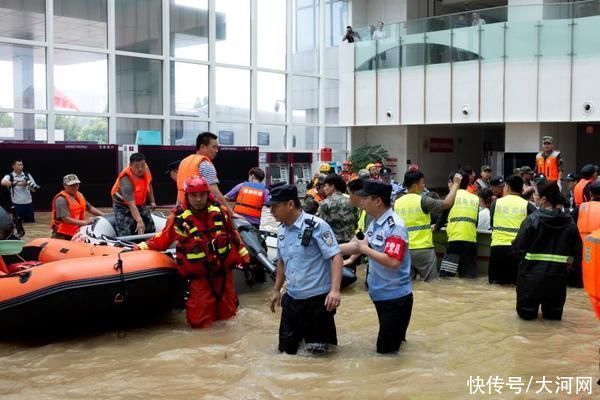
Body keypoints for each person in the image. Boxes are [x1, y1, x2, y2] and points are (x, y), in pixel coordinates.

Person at [136, 176, 250, 328]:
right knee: (200, 323)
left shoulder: (221, 212)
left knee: (228, 320)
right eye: (194, 195)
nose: (198, 199)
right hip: (199, 280)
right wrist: (139, 248)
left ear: (207, 194)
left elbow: (233, 235)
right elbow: (161, 240)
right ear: (187, 196)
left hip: (223, 277)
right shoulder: (177, 219)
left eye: (202, 194)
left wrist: (244, 256)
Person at [268, 184, 343, 354]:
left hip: (317, 301)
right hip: (292, 299)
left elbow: (336, 256)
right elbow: (282, 262)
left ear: (290, 204)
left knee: (320, 355)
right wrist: (276, 290)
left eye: (275, 206)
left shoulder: (317, 226)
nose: (271, 211)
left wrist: (335, 290)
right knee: (286, 352)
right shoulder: (281, 230)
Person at [341, 180, 413, 354]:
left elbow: (393, 262)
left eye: (365, 198)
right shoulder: (376, 222)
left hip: (394, 298)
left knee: (386, 353)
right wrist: (329, 249)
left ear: (378, 201)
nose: (361, 201)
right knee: (392, 348)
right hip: (382, 295)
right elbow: (358, 244)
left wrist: (364, 249)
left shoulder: (394, 226)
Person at [513, 181, 581, 321]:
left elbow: (517, 249)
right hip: (557, 281)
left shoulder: (532, 220)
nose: (534, 197)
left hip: (530, 281)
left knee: (526, 322)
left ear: (544, 199)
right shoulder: (570, 223)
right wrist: (565, 267)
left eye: (536, 194)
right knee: (553, 321)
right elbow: (576, 252)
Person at [394, 171, 462, 282]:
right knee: (431, 284)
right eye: (422, 183)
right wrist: (455, 184)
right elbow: (446, 204)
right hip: (423, 250)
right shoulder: (423, 200)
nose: (424, 185)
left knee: (407, 284)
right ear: (415, 186)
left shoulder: (396, 203)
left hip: (404, 250)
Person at [488, 175, 536, 285]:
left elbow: (492, 224)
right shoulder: (528, 205)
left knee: (496, 286)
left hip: (498, 249)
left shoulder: (496, 203)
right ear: (522, 189)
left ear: (508, 187)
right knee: (515, 285)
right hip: (518, 251)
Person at [177, 132, 232, 214]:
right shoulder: (205, 165)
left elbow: (180, 191)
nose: (216, 151)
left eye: (217, 148)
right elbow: (215, 193)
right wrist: (231, 213)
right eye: (214, 147)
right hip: (199, 213)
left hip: (183, 211)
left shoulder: (184, 162)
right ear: (202, 147)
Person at [439, 171, 481, 278]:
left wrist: (436, 226)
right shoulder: (475, 198)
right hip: (471, 240)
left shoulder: (450, 197)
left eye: (449, 182)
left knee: (446, 276)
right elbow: (476, 220)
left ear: (453, 183)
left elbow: (443, 217)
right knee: (469, 276)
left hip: (455, 241)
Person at [111, 152, 156, 236]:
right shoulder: (126, 180)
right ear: (130, 165)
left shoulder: (146, 168)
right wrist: (139, 220)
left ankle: (147, 244)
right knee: (125, 232)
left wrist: (152, 201)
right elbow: (132, 205)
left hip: (140, 203)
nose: (140, 169)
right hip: (123, 205)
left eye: (142, 165)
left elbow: (149, 184)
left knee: (150, 227)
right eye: (137, 166)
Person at [50, 174, 105, 240]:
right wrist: (86, 222)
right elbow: (66, 219)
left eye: (76, 184)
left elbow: (89, 208)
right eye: (71, 185)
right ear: (65, 185)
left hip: (76, 231)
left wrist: (104, 215)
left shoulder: (79, 195)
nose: (75, 187)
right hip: (62, 234)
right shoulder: (61, 199)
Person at [318, 174, 358, 244]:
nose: (323, 188)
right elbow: (356, 219)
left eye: (325, 186)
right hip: (352, 242)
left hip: (334, 243)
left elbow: (320, 224)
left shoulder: (325, 204)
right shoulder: (351, 201)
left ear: (332, 187)